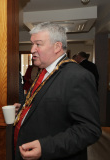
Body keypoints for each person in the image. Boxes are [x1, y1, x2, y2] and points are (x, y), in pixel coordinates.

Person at [13, 22, 101, 160]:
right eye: (32, 44)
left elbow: (89, 130)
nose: (32, 49)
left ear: (57, 47)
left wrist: (45, 147)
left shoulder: (78, 76)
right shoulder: (45, 72)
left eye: (38, 44)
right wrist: (24, 109)